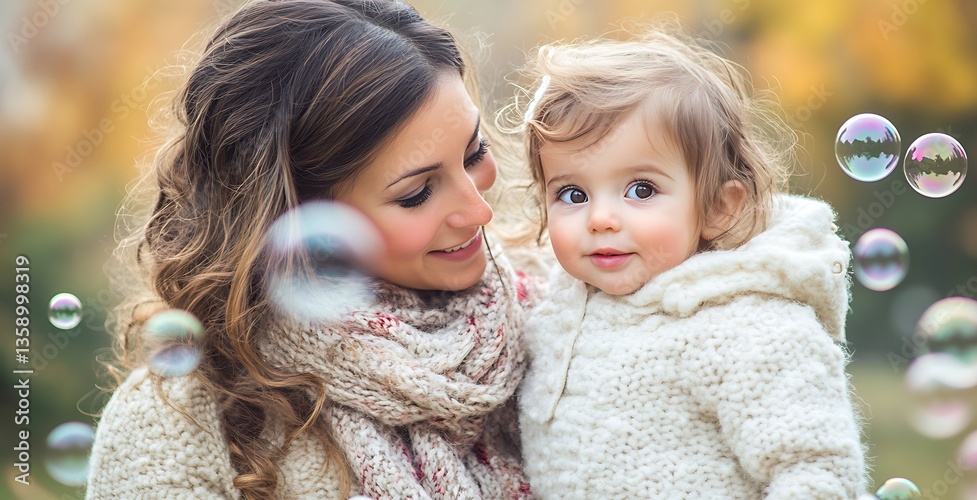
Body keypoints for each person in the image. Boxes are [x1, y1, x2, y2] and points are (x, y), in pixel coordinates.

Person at [86, 1, 537, 498]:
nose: (479, 211)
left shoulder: (562, 313)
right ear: (298, 215)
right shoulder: (175, 427)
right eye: (416, 193)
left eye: (475, 153)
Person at [515, 24, 869, 498]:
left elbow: (818, 471)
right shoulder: (553, 312)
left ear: (719, 207)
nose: (599, 218)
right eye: (572, 193)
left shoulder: (750, 326)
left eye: (641, 189)